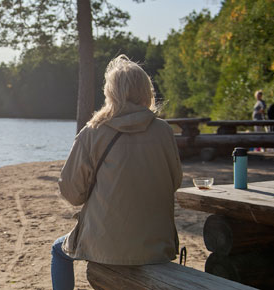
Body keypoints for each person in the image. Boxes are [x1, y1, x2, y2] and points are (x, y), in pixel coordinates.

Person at [51, 55, 182, 290]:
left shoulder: (92, 132)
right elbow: (175, 181)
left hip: (106, 246)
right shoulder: (164, 131)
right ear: (146, 91)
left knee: (58, 251)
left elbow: (72, 194)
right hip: (157, 244)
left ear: (110, 93)